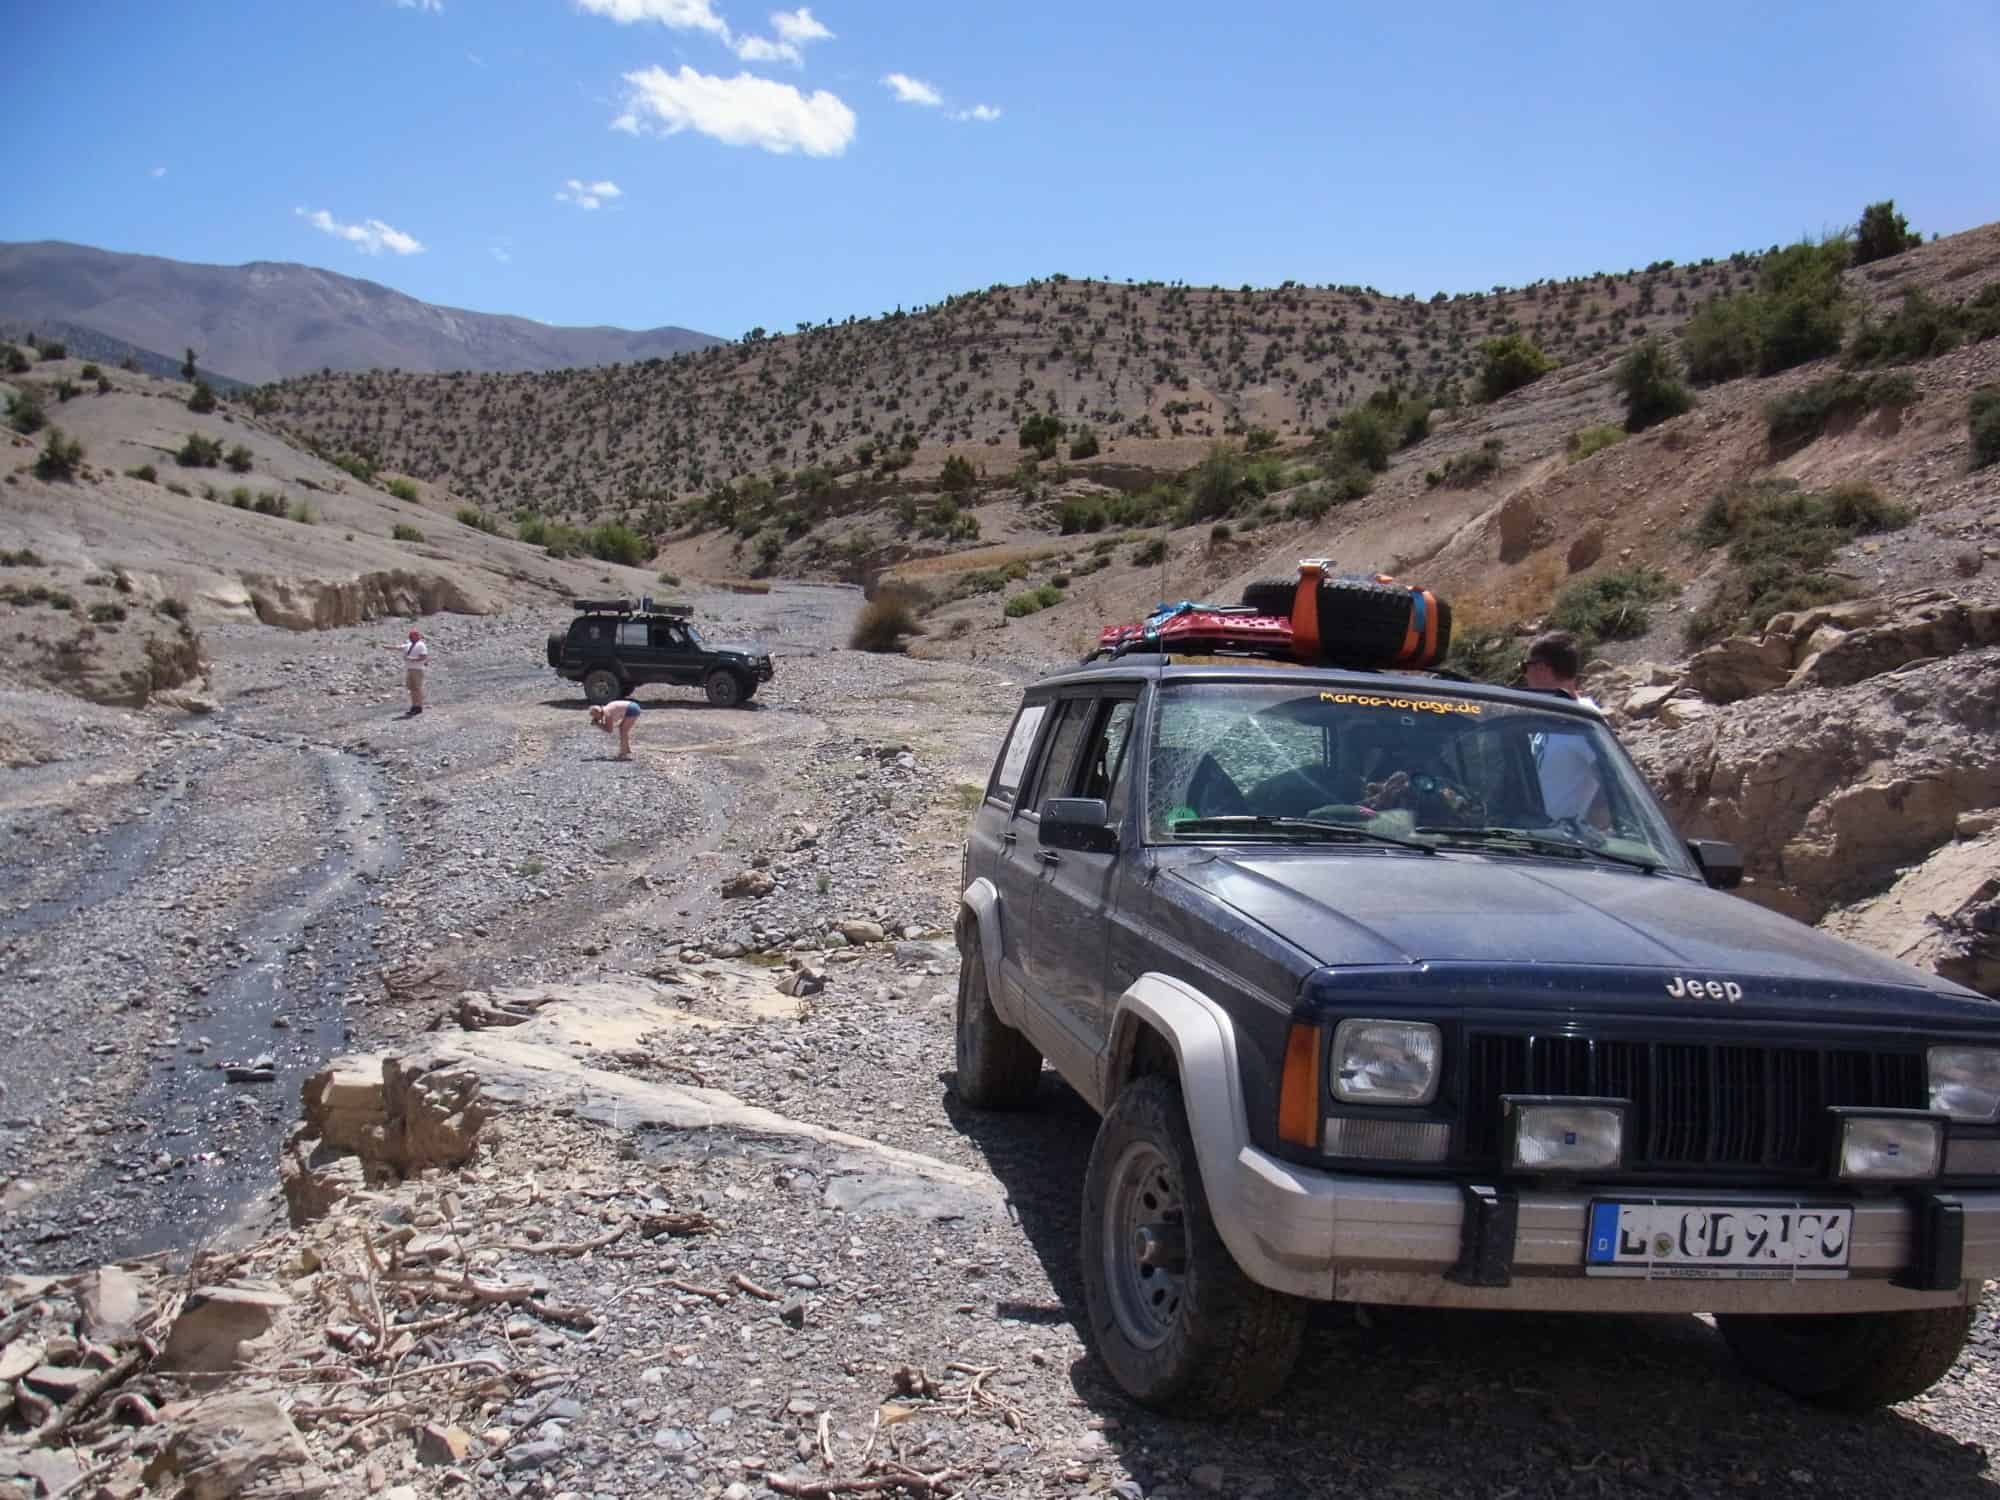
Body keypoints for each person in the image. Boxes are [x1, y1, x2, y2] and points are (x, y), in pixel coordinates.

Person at [1522, 632, 1606, 825]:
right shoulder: (1553, 715)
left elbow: (1611, 785)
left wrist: (1587, 830)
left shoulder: (1582, 720)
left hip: (1564, 842)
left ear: (1541, 668)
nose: (1524, 675)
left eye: (1525, 667)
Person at [382, 627, 429, 716]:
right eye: (410, 635)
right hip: (410, 669)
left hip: (417, 669)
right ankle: (414, 706)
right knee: (412, 689)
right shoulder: (408, 644)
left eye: (413, 635)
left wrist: (412, 659)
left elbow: (423, 656)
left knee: (417, 688)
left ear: (417, 636)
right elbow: (398, 647)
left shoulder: (421, 645)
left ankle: (418, 706)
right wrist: (388, 647)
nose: (411, 637)